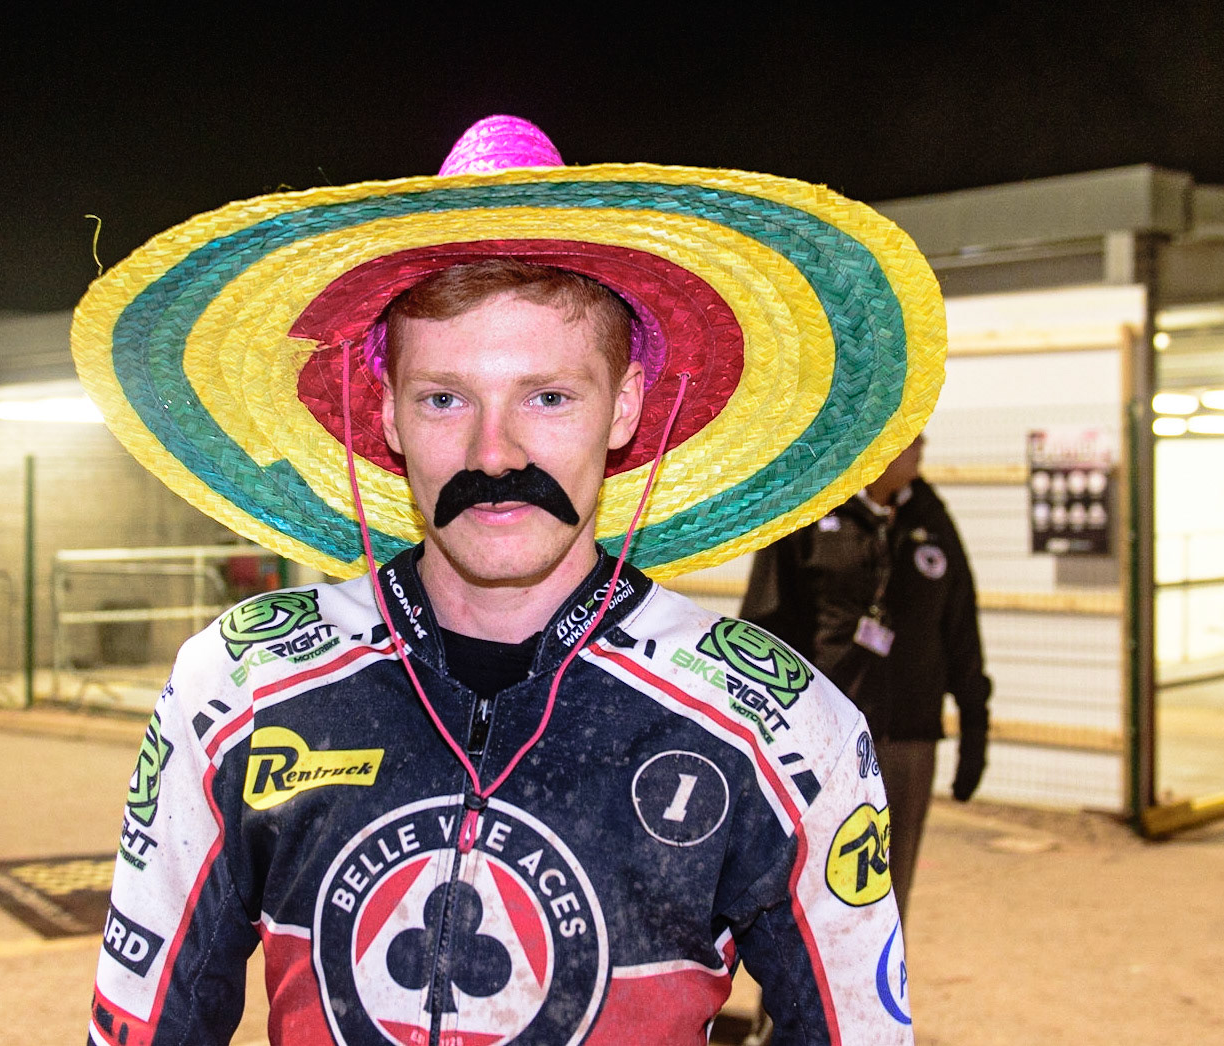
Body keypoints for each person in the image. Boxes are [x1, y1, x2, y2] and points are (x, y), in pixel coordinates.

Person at [72, 115, 947, 1045]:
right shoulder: (236, 687)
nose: (495, 454)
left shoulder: (781, 730)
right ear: (389, 418)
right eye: (445, 398)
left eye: (549, 396)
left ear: (627, 409)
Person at [741, 435, 990, 923]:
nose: (921, 448)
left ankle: (871, 997)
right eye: (910, 439)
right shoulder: (808, 513)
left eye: (924, 438)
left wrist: (974, 730)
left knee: (886, 899)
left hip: (906, 741)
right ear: (876, 446)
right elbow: (762, 628)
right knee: (810, 891)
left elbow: (960, 629)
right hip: (823, 743)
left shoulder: (930, 518)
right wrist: (760, 732)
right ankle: (794, 1000)